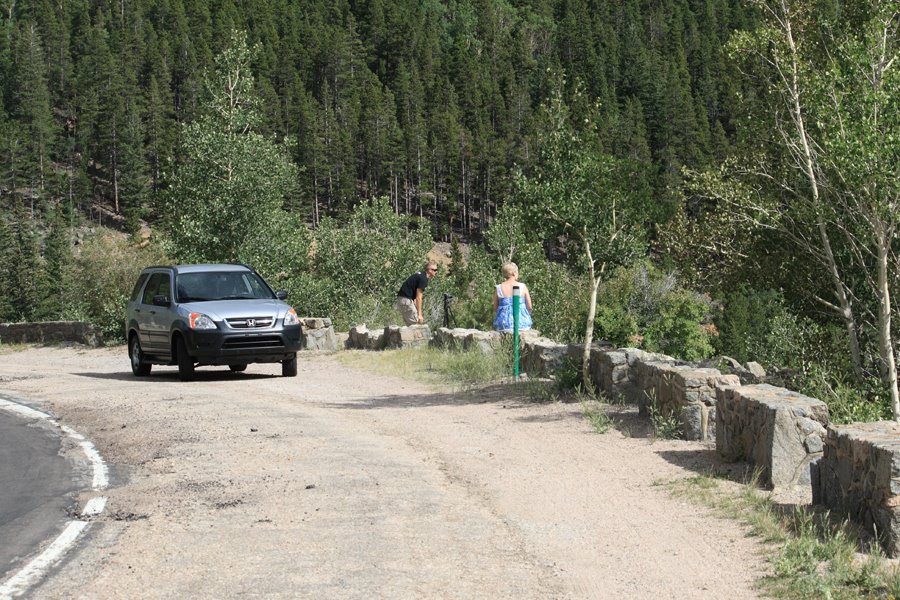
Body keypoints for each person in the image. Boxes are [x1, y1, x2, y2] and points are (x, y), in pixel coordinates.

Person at [492, 262, 533, 332]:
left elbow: (495, 308)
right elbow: (529, 307)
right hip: (521, 323)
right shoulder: (522, 286)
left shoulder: (498, 288)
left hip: (503, 324)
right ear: (514, 273)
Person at [396, 261, 437, 326]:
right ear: (429, 270)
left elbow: (415, 298)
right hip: (406, 301)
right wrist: (420, 315)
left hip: (402, 300)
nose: (436, 272)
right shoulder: (423, 279)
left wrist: (417, 311)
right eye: (434, 270)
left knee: (411, 326)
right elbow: (419, 297)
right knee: (417, 325)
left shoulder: (420, 275)